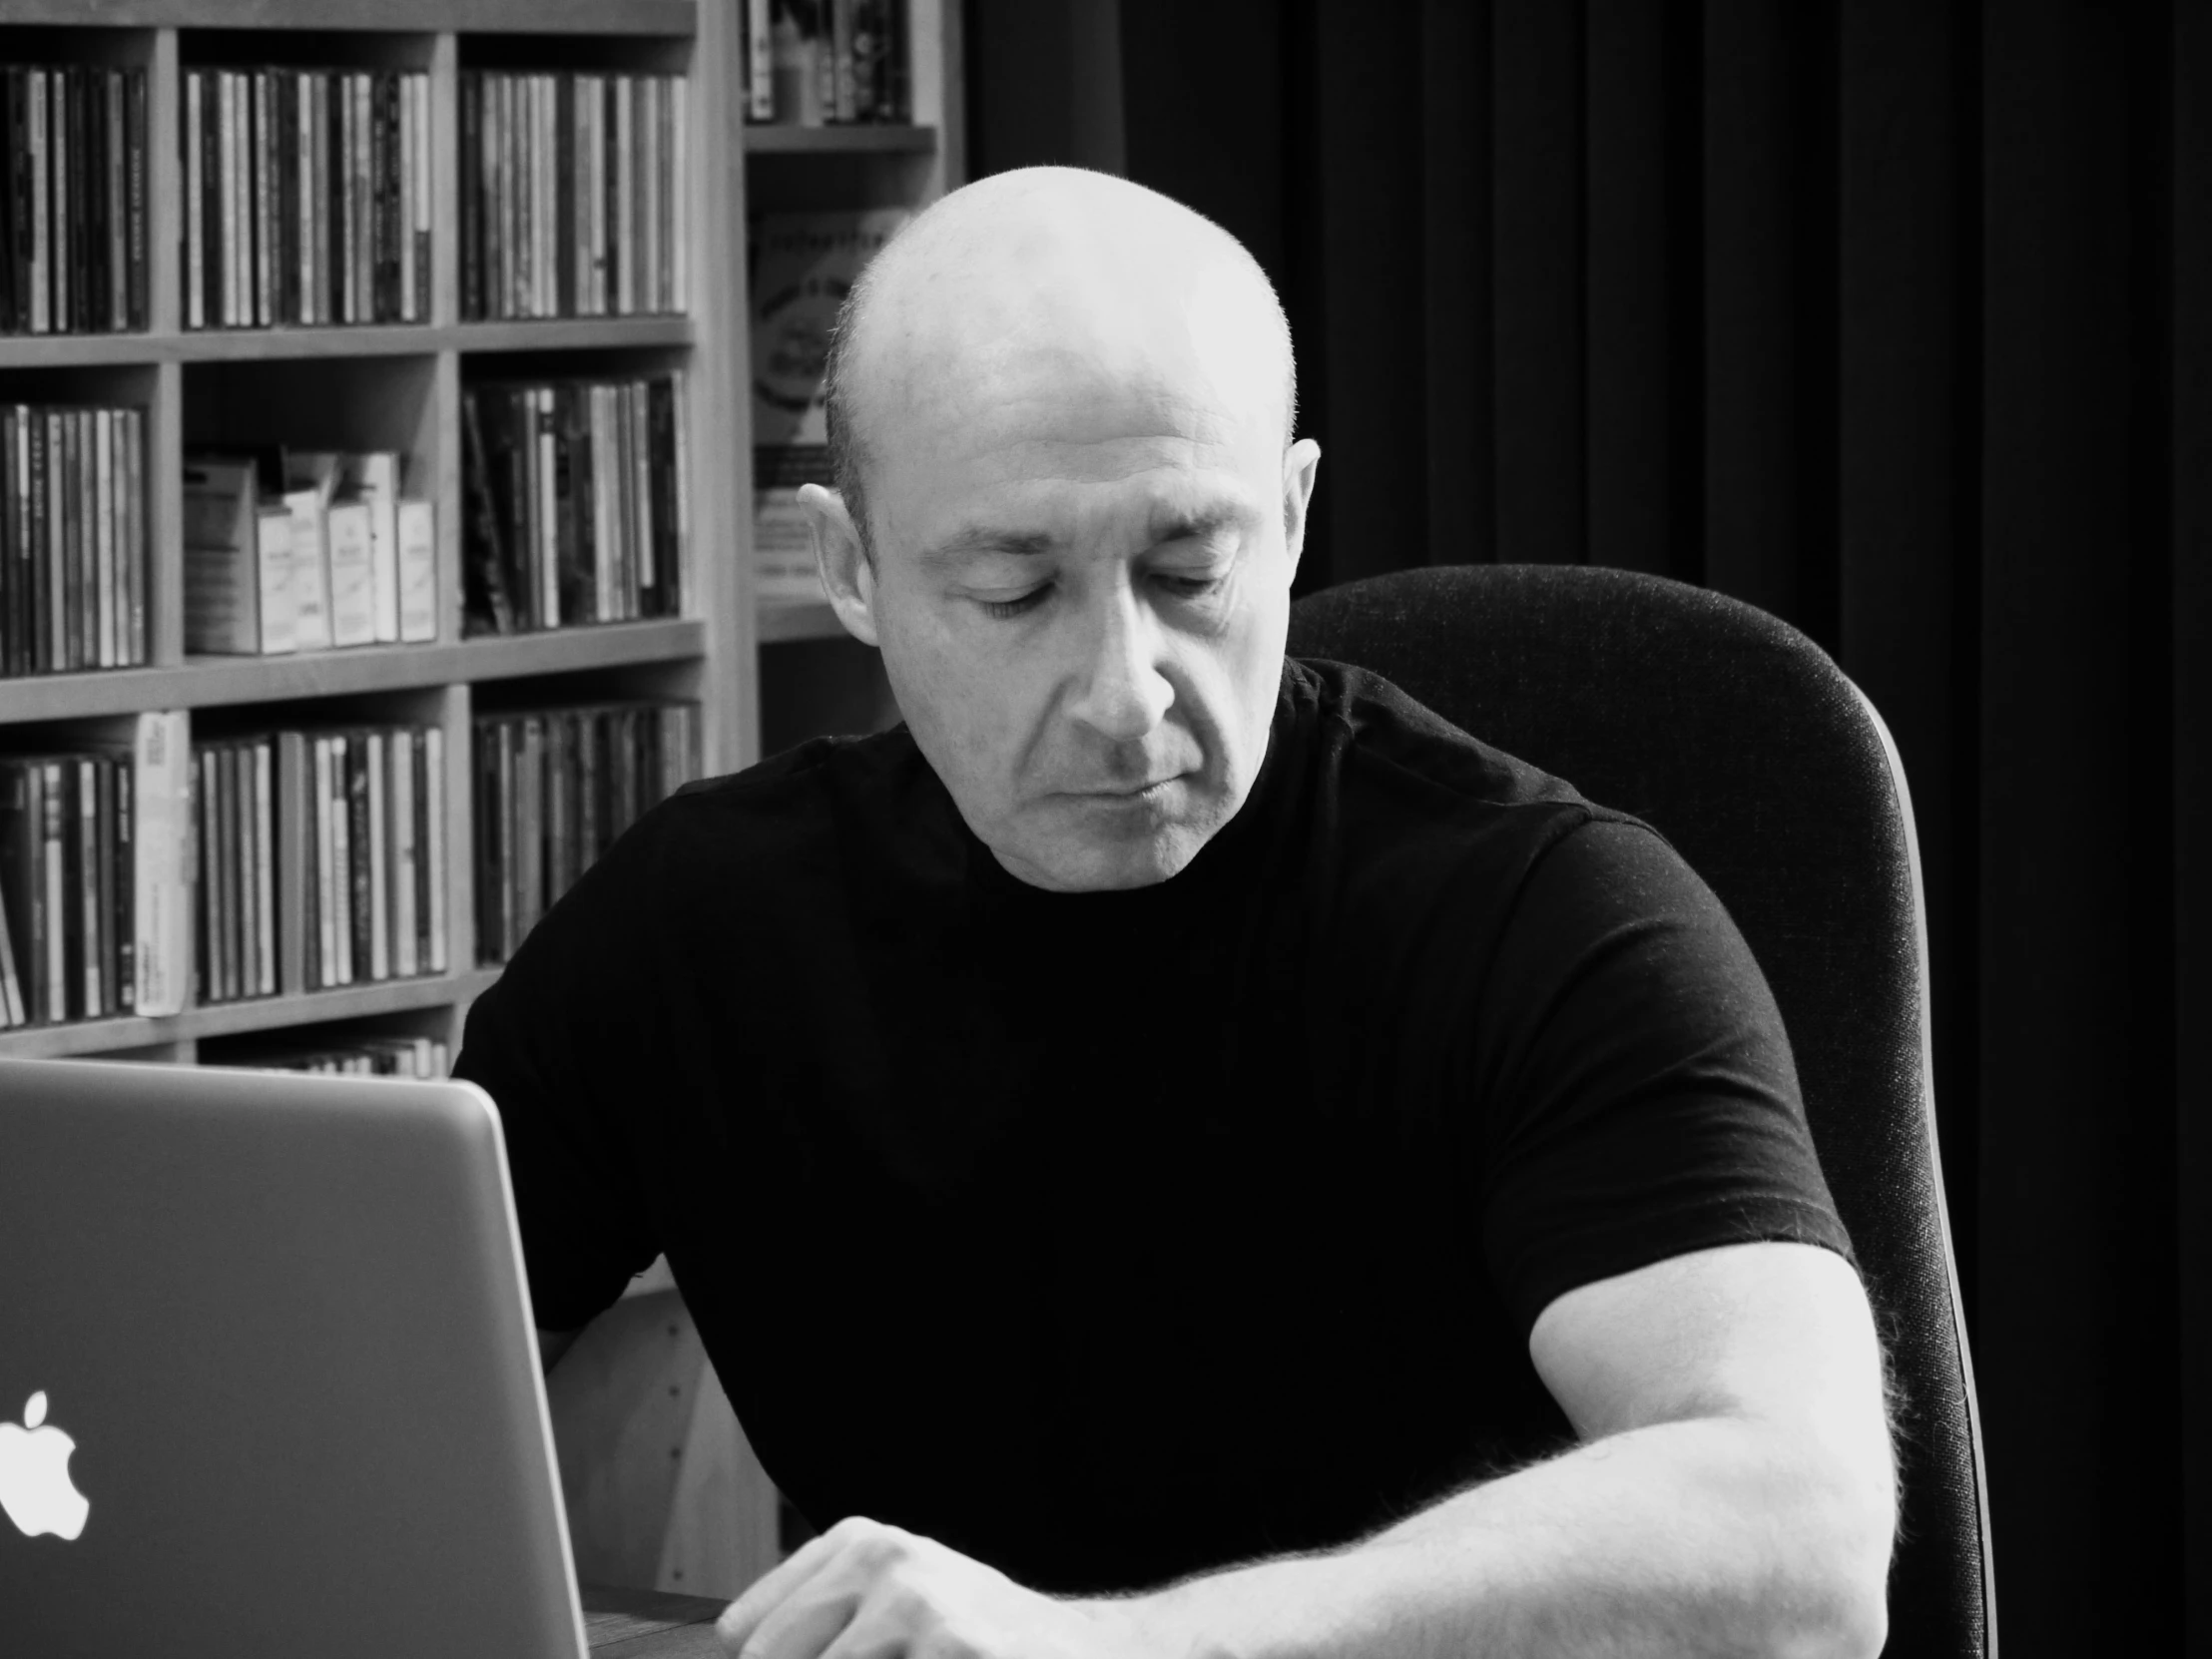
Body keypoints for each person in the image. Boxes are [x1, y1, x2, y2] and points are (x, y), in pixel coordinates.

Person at [454, 166, 1897, 1659]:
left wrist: (1117, 1644)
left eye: (1190, 568)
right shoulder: (703, 925)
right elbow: (358, 1390)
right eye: (1016, 592)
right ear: (849, 570)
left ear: (1290, 518)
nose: (1126, 692)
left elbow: (1803, 1543)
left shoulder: (1553, 913)